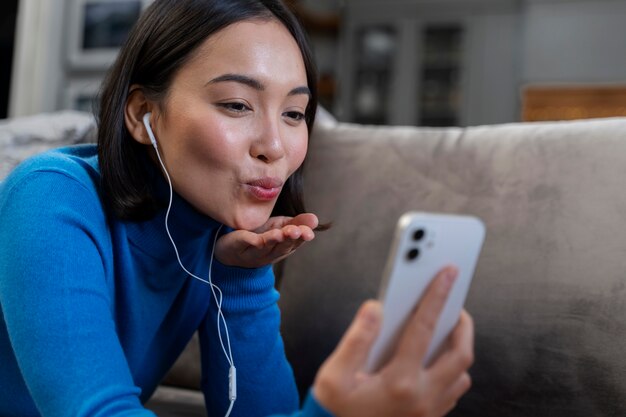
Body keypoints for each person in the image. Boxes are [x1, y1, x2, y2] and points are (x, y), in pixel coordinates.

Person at [0, 0, 474, 416]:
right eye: (236, 104)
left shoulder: (213, 226)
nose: (274, 145)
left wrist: (240, 275)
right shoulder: (50, 199)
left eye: (293, 113)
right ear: (142, 113)